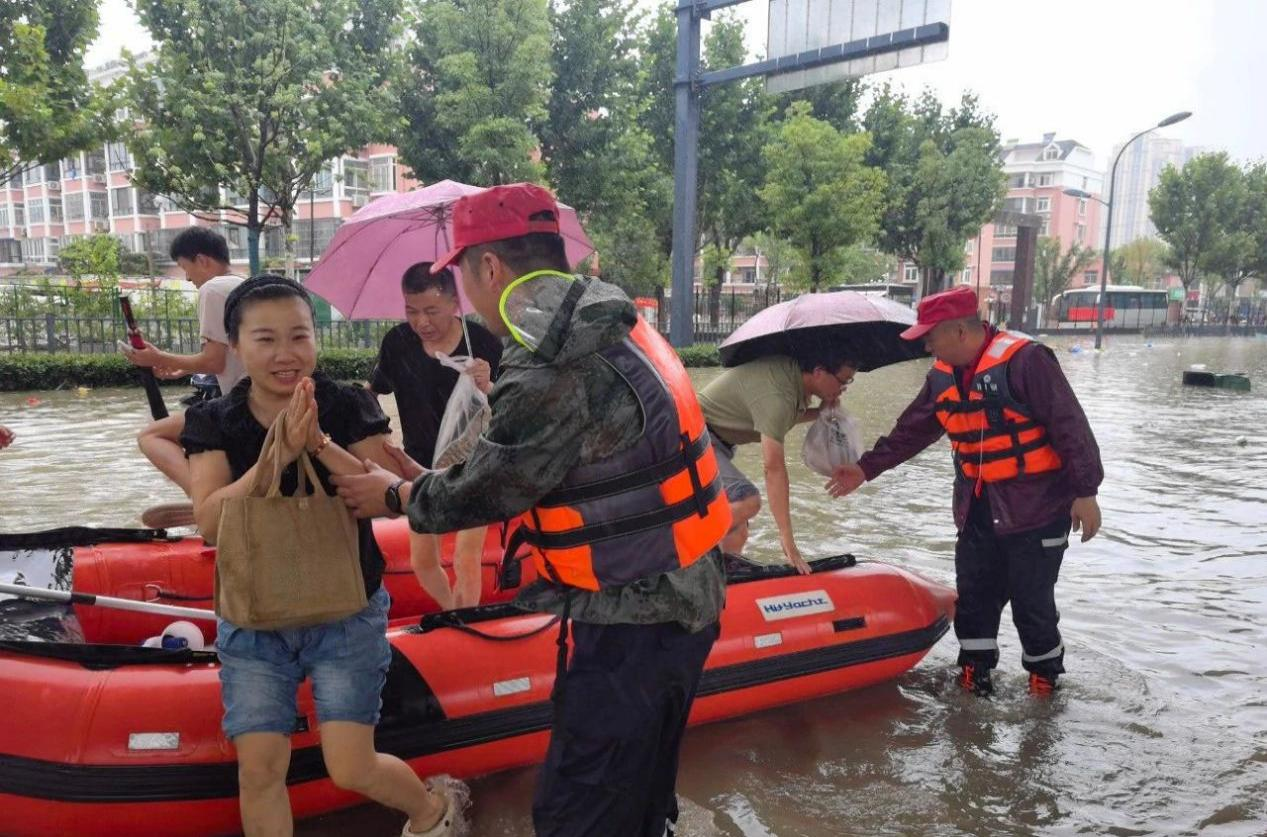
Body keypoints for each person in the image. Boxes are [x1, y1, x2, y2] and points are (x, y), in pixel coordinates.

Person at [330, 183, 731, 836]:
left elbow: (495, 490)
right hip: (686, 591)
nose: (467, 295)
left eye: (462, 275)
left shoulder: (551, 357)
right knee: (641, 791)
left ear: (488, 268)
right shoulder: (613, 321)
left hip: (629, 616)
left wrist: (396, 496)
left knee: (577, 810)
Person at [181, 276, 455, 837]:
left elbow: (381, 501)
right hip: (253, 614)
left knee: (351, 767)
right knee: (259, 770)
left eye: (299, 336)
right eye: (265, 339)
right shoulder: (213, 420)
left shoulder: (347, 404)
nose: (286, 354)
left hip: (345, 611)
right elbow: (210, 520)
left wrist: (319, 447)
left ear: (315, 339)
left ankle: (433, 812)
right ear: (235, 346)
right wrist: (271, 459)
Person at [827, 286, 1103, 697]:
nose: (925, 344)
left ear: (959, 331)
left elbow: (1070, 425)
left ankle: (1044, 684)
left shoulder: (1027, 361)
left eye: (930, 336)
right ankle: (975, 677)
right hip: (977, 510)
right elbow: (912, 430)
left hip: (1037, 509)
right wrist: (865, 469)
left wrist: (1086, 491)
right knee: (974, 599)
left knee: (1033, 605)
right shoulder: (941, 377)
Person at [369, 262, 501, 609]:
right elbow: (375, 390)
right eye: (412, 311)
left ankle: (464, 622)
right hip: (418, 466)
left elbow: (511, 406)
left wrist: (489, 385)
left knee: (465, 557)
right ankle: (452, 613)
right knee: (422, 560)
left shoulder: (482, 343)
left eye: (432, 311)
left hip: (475, 466)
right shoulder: (397, 342)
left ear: (455, 302)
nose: (421, 322)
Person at [697, 348, 859, 571]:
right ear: (820, 372)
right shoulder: (779, 393)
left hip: (713, 441)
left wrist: (820, 412)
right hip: (690, 438)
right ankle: (678, 554)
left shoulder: (790, 378)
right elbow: (773, 468)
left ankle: (725, 586)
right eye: (843, 381)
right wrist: (787, 540)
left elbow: (780, 416)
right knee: (747, 501)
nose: (843, 389)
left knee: (737, 532)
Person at [129, 227, 245, 495]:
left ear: (202, 260)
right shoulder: (245, 284)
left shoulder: (213, 289)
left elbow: (214, 362)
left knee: (152, 435)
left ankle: (205, 499)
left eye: (185, 267)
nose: (188, 277)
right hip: (259, 397)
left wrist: (156, 357)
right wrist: (180, 367)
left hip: (243, 404)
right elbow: (229, 359)